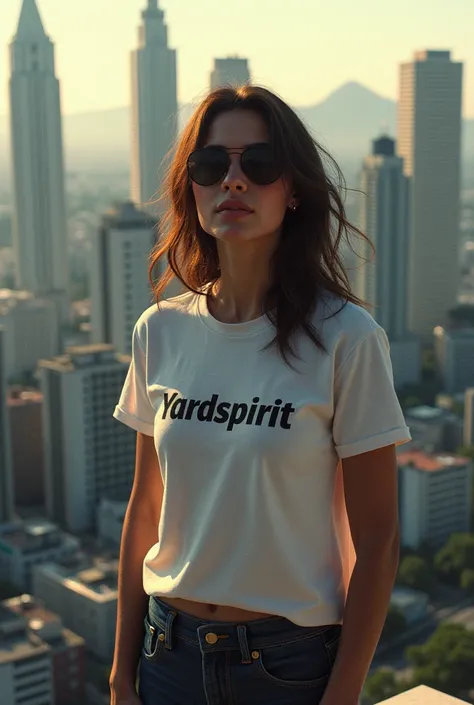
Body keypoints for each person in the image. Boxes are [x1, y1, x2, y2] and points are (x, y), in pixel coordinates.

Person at [109, 85, 411, 705]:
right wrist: (120, 674)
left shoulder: (347, 340)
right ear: (192, 189)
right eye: (212, 165)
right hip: (167, 654)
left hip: (289, 665)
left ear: (292, 189)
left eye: (260, 164)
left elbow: (379, 539)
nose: (234, 181)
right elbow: (145, 512)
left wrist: (343, 693)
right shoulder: (159, 331)